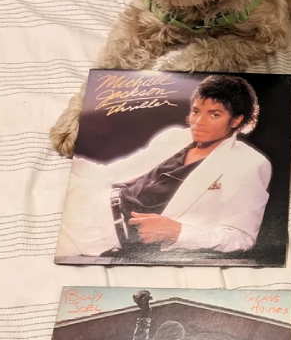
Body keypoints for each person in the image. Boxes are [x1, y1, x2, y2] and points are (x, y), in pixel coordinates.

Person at [55, 75, 272, 260]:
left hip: (103, 236)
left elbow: (241, 237)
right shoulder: (175, 136)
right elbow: (115, 172)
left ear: (236, 120)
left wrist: (177, 232)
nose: (198, 122)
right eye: (196, 111)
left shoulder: (250, 164)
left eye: (214, 114)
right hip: (92, 200)